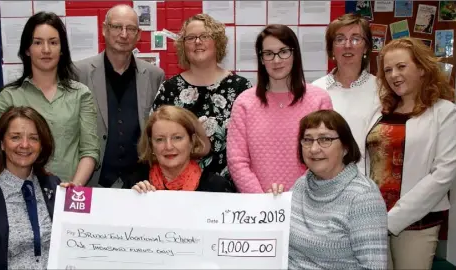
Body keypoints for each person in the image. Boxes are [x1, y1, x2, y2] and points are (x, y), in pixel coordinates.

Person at [366, 37, 456, 270]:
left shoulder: (446, 112)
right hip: (373, 218)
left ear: (421, 68)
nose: (393, 75)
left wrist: (393, 220)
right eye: (388, 70)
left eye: (401, 66)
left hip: (418, 222)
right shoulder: (380, 112)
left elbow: (443, 175)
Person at [271, 110, 388, 269]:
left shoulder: (363, 198)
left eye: (325, 139)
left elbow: (373, 267)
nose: (313, 149)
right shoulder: (301, 184)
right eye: (307, 140)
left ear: (345, 147)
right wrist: (273, 207)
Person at [0, 12, 99, 185]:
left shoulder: (81, 94)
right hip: (22, 195)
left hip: (70, 194)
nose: (46, 50)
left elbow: (90, 151)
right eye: (37, 42)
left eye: (53, 42)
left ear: (62, 49)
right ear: (27, 49)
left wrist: (73, 188)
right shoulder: (9, 97)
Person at [227, 24, 333, 193]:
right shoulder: (244, 102)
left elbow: (326, 154)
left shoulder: (319, 99)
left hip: (309, 201)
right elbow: (237, 160)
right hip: (259, 206)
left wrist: (294, 196)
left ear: (294, 54)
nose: (276, 60)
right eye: (268, 54)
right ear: (261, 59)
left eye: (283, 52)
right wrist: (261, 199)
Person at [151, 14, 252, 189]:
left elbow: (253, 145)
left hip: (231, 191)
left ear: (217, 42)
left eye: (204, 36)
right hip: (178, 192)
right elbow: (154, 141)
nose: (198, 42)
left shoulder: (241, 88)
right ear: (183, 46)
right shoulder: (169, 89)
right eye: (191, 38)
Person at [0, 106, 62, 269]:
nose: (25, 145)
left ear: (41, 146)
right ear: (2, 143)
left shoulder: (54, 187)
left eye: (34, 138)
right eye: (15, 137)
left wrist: (75, 205)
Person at [75, 4, 165, 188]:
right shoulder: (78, 72)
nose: (124, 34)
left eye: (130, 29)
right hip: (94, 182)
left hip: (141, 185)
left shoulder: (155, 76)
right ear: (104, 29)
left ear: (139, 35)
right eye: (117, 27)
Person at [312, 13, 379, 173]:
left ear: (366, 47)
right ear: (331, 49)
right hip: (328, 182)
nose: (348, 45)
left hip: (372, 185)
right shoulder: (316, 90)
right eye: (340, 39)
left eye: (356, 38)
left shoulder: (382, 89)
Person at [127, 105, 232, 193]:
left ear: (192, 141)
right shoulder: (135, 182)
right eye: (160, 139)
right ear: (151, 144)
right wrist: (133, 200)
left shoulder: (216, 187)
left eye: (177, 138)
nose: (168, 146)